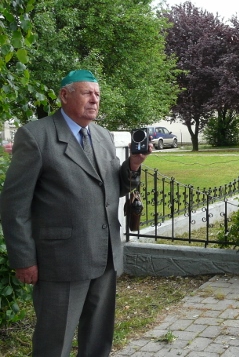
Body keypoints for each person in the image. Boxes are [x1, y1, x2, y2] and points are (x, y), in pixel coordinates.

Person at [0, 69, 152, 357]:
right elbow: (14, 204)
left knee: (98, 339)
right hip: (61, 261)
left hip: (105, 256)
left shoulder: (103, 136)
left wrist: (133, 165)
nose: (94, 100)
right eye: (87, 93)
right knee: (54, 342)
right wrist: (24, 259)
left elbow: (113, 188)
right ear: (64, 95)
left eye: (97, 94)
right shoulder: (36, 136)